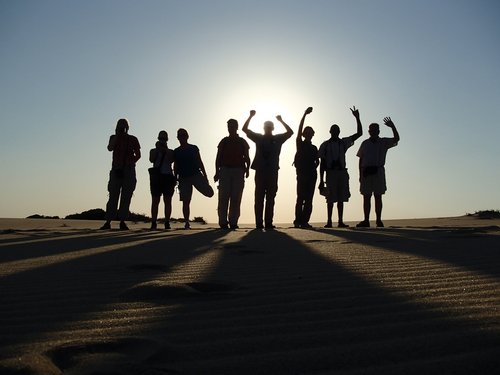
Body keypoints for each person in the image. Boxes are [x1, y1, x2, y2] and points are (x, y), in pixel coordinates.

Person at [242, 110, 294, 229]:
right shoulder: (258, 138)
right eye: (267, 127)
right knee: (259, 197)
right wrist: (250, 116)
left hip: (272, 171)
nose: (268, 129)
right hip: (261, 171)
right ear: (264, 128)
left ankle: (268, 222)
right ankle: (259, 223)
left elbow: (290, 132)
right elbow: (244, 129)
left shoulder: (278, 139)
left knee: (270, 198)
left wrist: (281, 121)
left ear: (273, 128)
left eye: (270, 127)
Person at [318, 106, 363, 228]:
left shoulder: (343, 143)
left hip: (342, 172)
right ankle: (329, 221)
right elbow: (322, 164)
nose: (335, 132)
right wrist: (321, 180)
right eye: (333, 130)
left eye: (337, 130)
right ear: (330, 131)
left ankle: (340, 221)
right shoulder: (325, 145)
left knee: (341, 197)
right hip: (331, 173)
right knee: (330, 198)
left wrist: (357, 118)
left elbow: (359, 133)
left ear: (339, 132)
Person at [356, 116, 400, 228]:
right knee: (366, 196)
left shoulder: (383, 142)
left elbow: (396, 139)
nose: (373, 132)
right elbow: (360, 159)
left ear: (378, 131)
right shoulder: (365, 143)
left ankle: (378, 220)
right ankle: (366, 220)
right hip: (366, 171)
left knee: (378, 196)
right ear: (369, 131)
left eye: (375, 130)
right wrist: (360, 174)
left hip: (378, 170)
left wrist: (392, 126)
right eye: (371, 130)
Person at [100, 118, 141, 230]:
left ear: (127, 127)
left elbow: (138, 154)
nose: (122, 128)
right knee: (113, 195)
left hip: (129, 170)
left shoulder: (133, 139)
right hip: (116, 169)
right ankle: (108, 221)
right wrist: (117, 135)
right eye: (120, 126)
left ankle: (122, 221)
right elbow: (110, 148)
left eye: (124, 126)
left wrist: (130, 163)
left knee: (126, 196)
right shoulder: (113, 138)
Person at [214, 117, 251, 230]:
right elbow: (218, 157)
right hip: (225, 170)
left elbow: (247, 156)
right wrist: (217, 172)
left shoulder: (242, 141)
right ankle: (223, 222)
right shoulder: (224, 141)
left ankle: (233, 221)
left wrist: (247, 169)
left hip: (238, 171)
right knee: (223, 197)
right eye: (229, 126)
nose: (230, 128)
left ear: (236, 127)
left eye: (233, 126)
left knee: (236, 198)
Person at [173, 128, 214, 229]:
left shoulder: (193, 148)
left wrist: (205, 176)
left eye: (183, 135)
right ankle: (187, 222)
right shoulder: (176, 151)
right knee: (186, 201)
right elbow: (175, 166)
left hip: (196, 175)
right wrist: (175, 178)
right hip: (183, 178)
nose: (181, 137)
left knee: (210, 193)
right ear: (177, 138)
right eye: (179, 136)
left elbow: (200, 162)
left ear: (187, 136)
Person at [293, 107, 319, 228]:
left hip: (311, 175)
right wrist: (304, 115)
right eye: (307, 133)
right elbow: (298, 130)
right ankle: (298, 220)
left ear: (312, 135)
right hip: (303, 175)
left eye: (310, 133)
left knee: (308, 199)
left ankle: (304, 221)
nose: (309, 135)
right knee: (301, 198)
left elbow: (317, 162)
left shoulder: (314, 148)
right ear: (304, 134)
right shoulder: (300, 143)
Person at [149, 130, 176, 230]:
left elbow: (171, 159)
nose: (162, 140)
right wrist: (158, 149)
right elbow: (151, 159)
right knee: (155, 200)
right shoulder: (153, 150)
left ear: (167, 140)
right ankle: (153, 222)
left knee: (167, 200)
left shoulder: (170, 151)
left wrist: (164, 150)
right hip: (157, 177)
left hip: (168, 176)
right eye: (161, 139)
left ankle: (167, 222)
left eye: (164, 139)